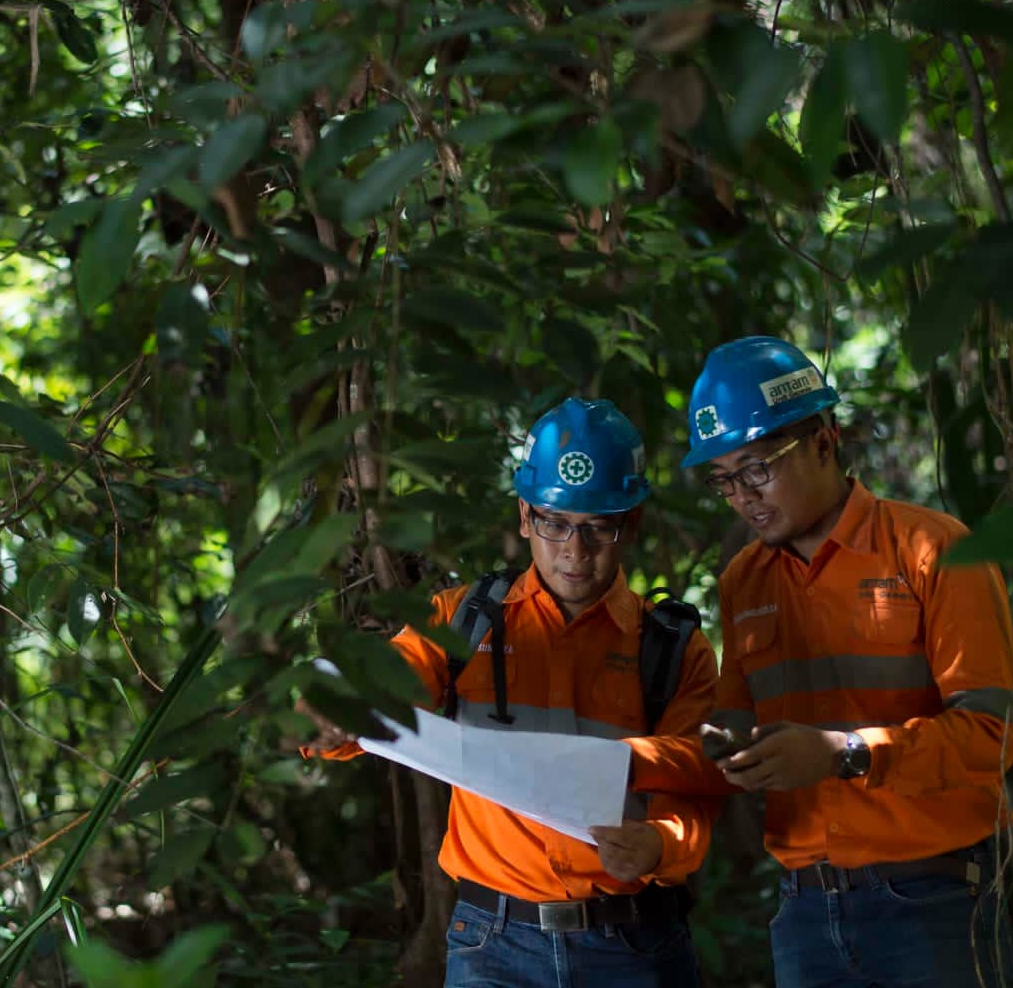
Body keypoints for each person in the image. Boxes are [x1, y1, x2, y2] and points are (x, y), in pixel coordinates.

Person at [641, 335, 1013, 988]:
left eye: (757, 467)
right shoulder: (744, 581)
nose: (743, 496)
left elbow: (994, 736)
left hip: (933, 899)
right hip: (804, 912)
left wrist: (846, 752)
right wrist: (713, 746)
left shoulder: (934, 549)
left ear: (824, 439)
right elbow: (730, 719)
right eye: (725, 479)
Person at [303, 398, 720, 988]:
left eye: (599, 526)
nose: (575, 550)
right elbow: (374, 701)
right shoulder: (461, 622)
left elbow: (699, 782)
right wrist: (324, 715)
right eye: (555, 522)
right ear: (525, 516)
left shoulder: (672, 649)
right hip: (493, 944)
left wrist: (661, 844)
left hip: (631, 945)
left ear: (632, 522)